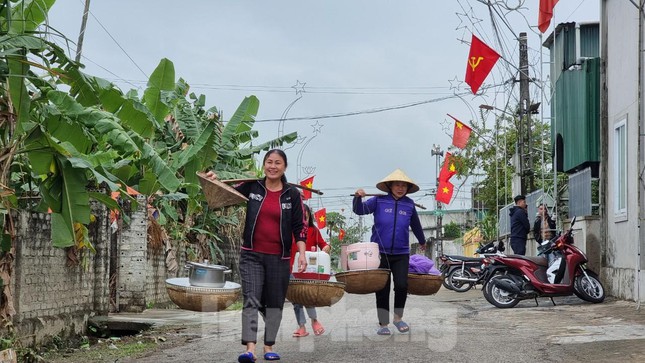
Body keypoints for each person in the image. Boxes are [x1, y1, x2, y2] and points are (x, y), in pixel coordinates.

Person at [206, 149, 307, 363]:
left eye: (277, 163)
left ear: (284, 167)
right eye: (269, 162)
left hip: (279, 258)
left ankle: (269, 346)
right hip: (251, 255)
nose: (272, 166)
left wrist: (302, 253)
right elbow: (227, 193)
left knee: (275, 303)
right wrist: (214, 180)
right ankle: (250, 350)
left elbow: (299, 227)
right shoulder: (253, 187)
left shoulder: (292, 195)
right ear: (264, 165)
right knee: (251, 300)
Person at [352, 169, 426, 336]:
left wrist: (422, 241)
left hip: (401, 253)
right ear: (390, 186)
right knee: (382, 288)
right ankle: (383, 323)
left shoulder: (409, 204)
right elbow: (360, 210)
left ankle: (398, 319)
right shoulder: (378, 201)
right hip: (380, 253)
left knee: (402, 285)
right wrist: (358, 197)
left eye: (404, 185)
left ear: (407, 188)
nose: (400, 188)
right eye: (397, 185)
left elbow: (416, 225)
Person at [290, 204, 331, 338]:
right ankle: (302, 326)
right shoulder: (288, 230)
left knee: (307, 296)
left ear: (309, 217)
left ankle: (314, 320)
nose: (303, 220)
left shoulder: (313, 230)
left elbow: (323, 244)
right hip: (291, 269)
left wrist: (326, 248)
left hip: (309, 270)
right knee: (296, 299)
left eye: (305, 217)